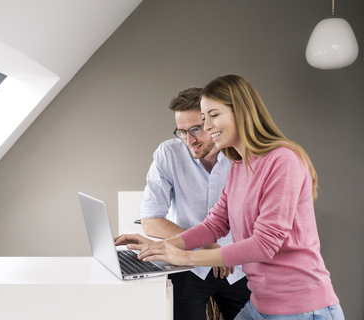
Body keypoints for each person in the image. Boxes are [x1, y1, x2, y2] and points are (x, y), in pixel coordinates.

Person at [116, 75, 345, 319]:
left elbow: (265, 245)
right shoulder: (240, 164)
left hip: (302, 308)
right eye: (204, 119)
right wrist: (161, 246)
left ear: (242, 112)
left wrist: (184, 256)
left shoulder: (283, 160)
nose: (207, 127)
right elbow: (214, 225)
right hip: (260, 305)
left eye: (213, 116)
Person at [140, 87, 250, 320]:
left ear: (213, 122)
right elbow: (150, 221)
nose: (190, 140)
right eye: (182, 132)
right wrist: (202, 243)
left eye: (196, 129)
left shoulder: (243, 156)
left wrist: (224, 252)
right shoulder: (168, 153)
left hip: (239, 267)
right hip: (187, 267)